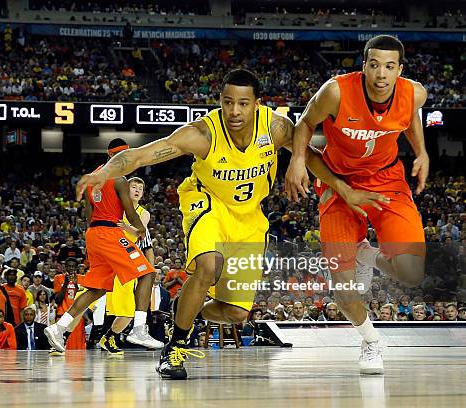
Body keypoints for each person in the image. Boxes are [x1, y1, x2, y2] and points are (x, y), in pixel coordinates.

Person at [75, 68, 385, 379]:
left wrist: (329, 179)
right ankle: (175, 349)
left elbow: (309, 152)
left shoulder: (276, 128)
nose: (234, 111)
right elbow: (141, 156)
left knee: (237, 313)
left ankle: (188, 311)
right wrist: (104, 172)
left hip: (249, 216)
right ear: (220, 102)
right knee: (209, 266)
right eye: (227, 102)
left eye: (243, 103)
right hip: (206, 203)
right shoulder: (202, 134)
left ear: (257, 103)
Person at [286, 35, 428, 374]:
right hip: (338, 184)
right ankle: (370, 342)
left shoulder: (414, 93)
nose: (381, 73)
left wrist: (421, 151)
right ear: (363, 66)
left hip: (387, 182)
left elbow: (410, 116)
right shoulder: (336, 91)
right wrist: (297, 161)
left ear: (400, 71)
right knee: (345, 290)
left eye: (389, 67)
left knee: (411, 273)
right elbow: (305, 123)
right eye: (374, 65)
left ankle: (368, 253)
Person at [44, 143, 156, 356]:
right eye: (123, 155)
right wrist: (140, 228)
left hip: (94, 234)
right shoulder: (119, 179)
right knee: (148, 273)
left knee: (97, 288)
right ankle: (139, 328)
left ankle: (58, 328)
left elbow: (88, 214)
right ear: (114, 155)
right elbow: (130, 212)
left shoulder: (91, 178)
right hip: (110, 231)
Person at [102, 161, 163, 352]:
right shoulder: (115, 207)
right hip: (113, 260)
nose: (137, 191)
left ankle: (108, 338)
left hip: (129, 262)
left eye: (140, 189)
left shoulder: (143, 212)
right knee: (123, 309)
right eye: (133, 187)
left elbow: (140, 231)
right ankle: (105, 338)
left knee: (128, 310)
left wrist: (127, 228)